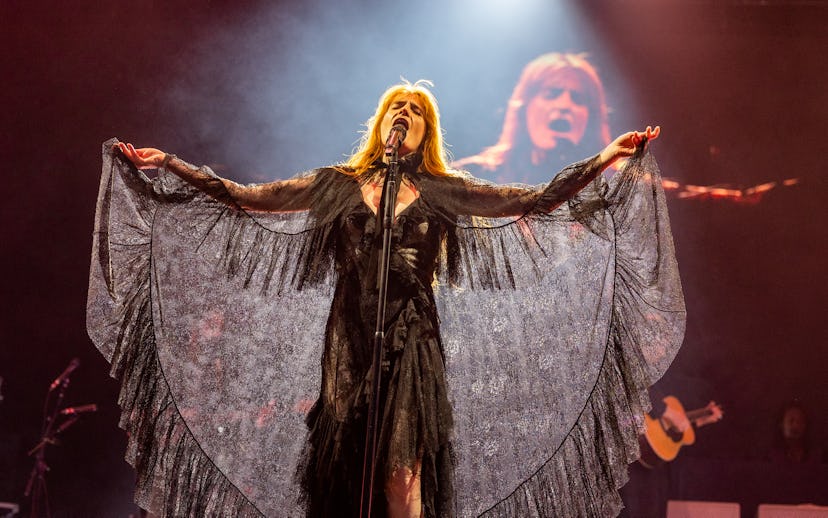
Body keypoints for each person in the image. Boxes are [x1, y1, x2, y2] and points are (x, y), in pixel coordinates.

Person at [88, 80, 684, 517]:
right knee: (347, 472)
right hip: (348, 343)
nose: (404, 114)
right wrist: (169, 165)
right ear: (381, 123)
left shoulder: (442, 191)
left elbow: (532, 202)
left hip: (413, 337)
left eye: (416, 111)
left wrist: (608, 157)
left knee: (404, 470)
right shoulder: (336, 186)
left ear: (427, 131)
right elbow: (246, 197)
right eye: (396, 107)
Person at [453, 52, 611, 185]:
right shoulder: (472, 177)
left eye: (578, 98)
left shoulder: (613, 181)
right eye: (552, 94)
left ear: (592, 119)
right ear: (524, 107)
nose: (564, 104)